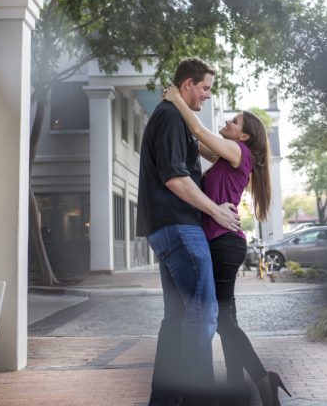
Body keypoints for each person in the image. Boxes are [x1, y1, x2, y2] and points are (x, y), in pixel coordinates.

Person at [164, 85, 291, 406]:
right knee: (226, 320)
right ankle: (241, 386)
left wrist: (176, 97)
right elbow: (199, 144)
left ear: (244, 137)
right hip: (220, 242)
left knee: (220, 320)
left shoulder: (239, 153)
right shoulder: (226, 153)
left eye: (234, 122)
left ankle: (262, 379)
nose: (229, 123)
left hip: (224, 244)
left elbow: (198, 129)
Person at [136, 57, 241, 406]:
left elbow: (205, 144)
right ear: (187, 85)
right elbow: (176, 178)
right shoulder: (168, 118)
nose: (208, 95)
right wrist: (216, 212)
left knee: (178, 317)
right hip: (179, 227)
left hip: (168, 228)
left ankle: (163, 400)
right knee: (203, 313)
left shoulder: (176, 116)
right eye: (205, 88)